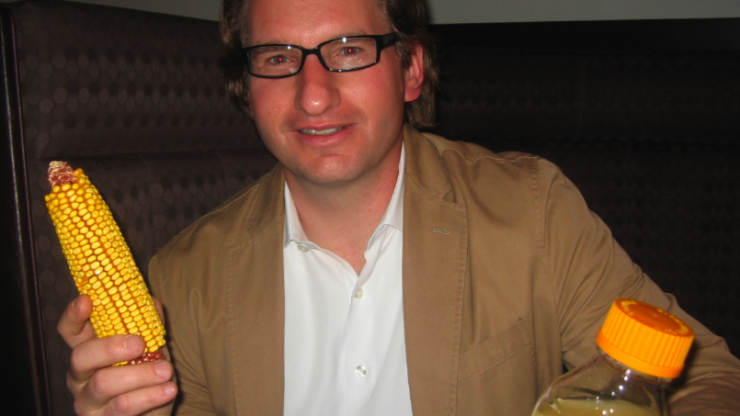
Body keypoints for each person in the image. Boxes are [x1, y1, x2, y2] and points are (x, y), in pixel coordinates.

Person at [57, 0, 740, 414]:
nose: (314, 94)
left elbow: (704, 377)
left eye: (348, 50)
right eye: (278, 58)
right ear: (246, 86)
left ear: (411, 69)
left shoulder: (533, 211)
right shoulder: (183, 277)